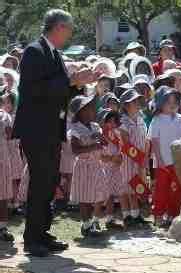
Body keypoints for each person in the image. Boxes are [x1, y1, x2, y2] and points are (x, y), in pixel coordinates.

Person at [12, 9, 99, 257]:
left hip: (52, 128)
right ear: (59, 27)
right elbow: (35, 90)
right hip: (36, 129)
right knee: (39, 183)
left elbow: (59, 92)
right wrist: (71, 79)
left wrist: (78, 84)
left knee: (50, 182)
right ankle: (32, 239)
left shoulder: (55, 54)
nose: (70, 35)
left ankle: (43, 233)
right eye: (69, 30)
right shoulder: (34, 51)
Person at [69, 95, 108, 237]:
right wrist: (92, 146)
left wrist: (102, 140)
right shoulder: (75, 129)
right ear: (81, 112)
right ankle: (86, 226)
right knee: (85, 199)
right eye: (90, 108)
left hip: (96, 166)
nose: (94, 110)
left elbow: (104, 144)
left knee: (100, 195)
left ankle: (94, 221)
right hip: (83, 168)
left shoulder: (95, 126)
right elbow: (75, 150)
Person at [148, 86, 181, 227]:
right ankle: (158, 215)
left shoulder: (179, 119)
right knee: (161, 189)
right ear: (160, 103)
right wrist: (158, 159)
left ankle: (173, 215)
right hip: (162, 162)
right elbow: (154, 141)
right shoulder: (157, 120)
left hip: (176, 161)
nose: (172, 104)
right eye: (168, 101)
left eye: (174, 101)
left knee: (176, 189)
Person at [118, 89, 148, 227]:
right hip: (128, 161)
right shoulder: (123, 123)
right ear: (125, 105)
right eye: (133, 101)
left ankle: (135, 214)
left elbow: (146, 140)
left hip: (141, 160)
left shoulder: (141, 120)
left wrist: (145, 157)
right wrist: (139, 158)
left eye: (137, 101)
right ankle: (128, 216)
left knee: (137, 187)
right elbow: (125, 143)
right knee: (128, 188)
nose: (137, 104)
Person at [97, 108, 124, 229]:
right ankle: (93, 220)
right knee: (101, 196)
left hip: (115, 170)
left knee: (112, 195)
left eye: (114, 121)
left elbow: (121, 151)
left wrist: (119, 158)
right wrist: (112, 158)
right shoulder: (101, 137)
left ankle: (109, 219)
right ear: (103, 122)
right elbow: (100, 156)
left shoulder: (117, 136)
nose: (112, 124)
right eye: (109, 121)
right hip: (104, 169)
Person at [0, 91, 14, 242]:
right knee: (2, 195)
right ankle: (2, 227)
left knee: (2, 195)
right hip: (3, 156)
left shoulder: (5, 116)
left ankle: (2, 227)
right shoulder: (5, 116)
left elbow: (10, 135)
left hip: (2, 158)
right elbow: (10, 135)